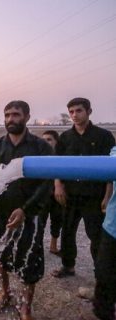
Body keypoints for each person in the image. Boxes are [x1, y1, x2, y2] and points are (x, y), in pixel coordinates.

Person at [0, 101, 53, 320]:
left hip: (30, 215)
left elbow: (46, 184)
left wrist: (25, 209)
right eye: (7, 115)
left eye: (16, 115)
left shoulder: (41, 147)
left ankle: (26, 306)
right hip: (2, 213)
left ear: (27, 117)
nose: (11, 119)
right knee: (1, 255)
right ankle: (5, 293)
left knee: (29, 261)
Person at [52, 98, 115, 279]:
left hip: (94, 195)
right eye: (71, 112)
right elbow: (58, 164)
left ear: (89, 111)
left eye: (79, 111)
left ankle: (100, 274)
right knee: (68, 232)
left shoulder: (104, 136)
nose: (74, 115)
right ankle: (68, 266)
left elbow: (111, 167)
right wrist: (58, 185)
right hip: (70, 194)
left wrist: (107, 194)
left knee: (96, 235)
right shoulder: (65, 138)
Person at [93, 146, 116, 320]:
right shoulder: (115, 151)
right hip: (113, 225)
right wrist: (107, 197)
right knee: (104, 271)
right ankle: (103, 312)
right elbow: (109, 172)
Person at [40, 130, 63, 255]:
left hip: (57, 193)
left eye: (49, 139)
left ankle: (53, 246)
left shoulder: (61, 156)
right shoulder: (39, 156)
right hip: (43, 194)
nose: (46, 142)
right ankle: (37, 246)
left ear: (56, 141)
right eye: (44, 140)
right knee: (40, 221)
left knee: (57, 219)